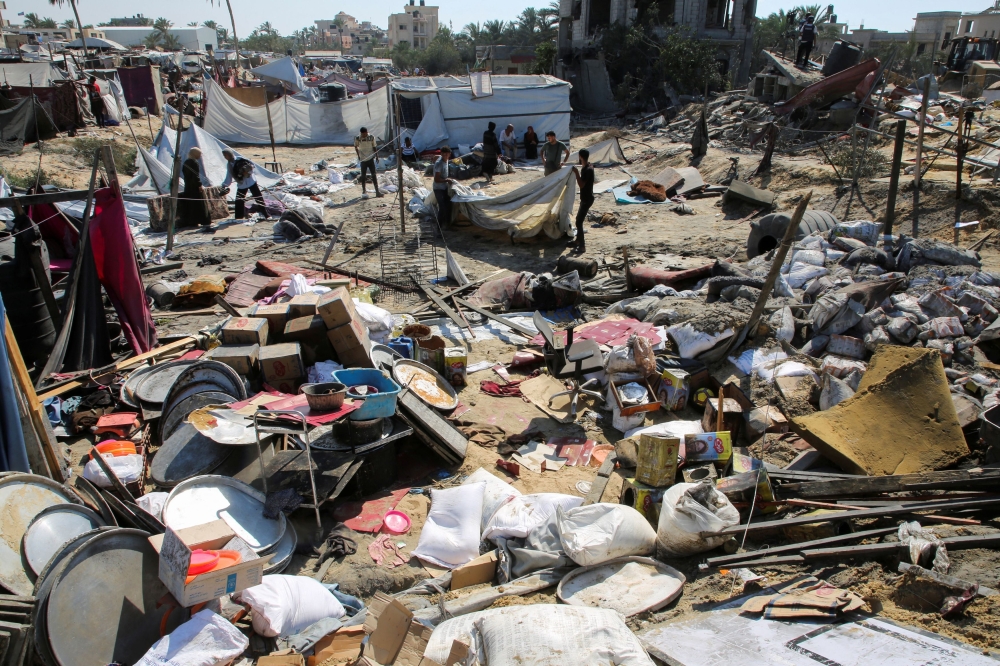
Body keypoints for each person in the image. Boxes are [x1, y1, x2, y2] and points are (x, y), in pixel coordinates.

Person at [221, 149, 269, 220]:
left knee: (258, 198)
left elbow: (252, 166)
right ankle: (238, 218)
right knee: (239, 200)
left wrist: (246, 170)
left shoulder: (241, 159)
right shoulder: (229, 165)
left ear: (229, 154)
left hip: (251, 182)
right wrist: (224, 185)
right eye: (224, 155)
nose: (224, 157)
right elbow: (229, 176)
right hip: (242, 184)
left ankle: (266, 215)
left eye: (225, 155)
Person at [177, 148, 211, 227]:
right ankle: (203, 220)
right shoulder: (194, 162)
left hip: (188, 186)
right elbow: (195, 176)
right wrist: (199, 185)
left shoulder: (186, 162)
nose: (200, 156)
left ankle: (192, 221)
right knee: (199, 204)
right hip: (194, 187)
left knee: (191, 205)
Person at [570, 148, 595, 254]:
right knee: (578, 220)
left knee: (578, 222)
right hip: (585, 198)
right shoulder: (587, 167)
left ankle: (582, 246)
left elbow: (581, 185)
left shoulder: (587, 170)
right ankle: (578, 240)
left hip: (587, 199)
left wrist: (576, 173)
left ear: (580, 156)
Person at [354, 127, 383, 198]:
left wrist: (377, 156)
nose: (364, 135)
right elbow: (356, 146)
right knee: (363, 175)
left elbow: (374, 146)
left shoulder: (371, 137)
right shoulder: (358, 138)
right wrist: (358, 155)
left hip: (370, 159)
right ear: (361, 133)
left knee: (374, 175)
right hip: (363, 159)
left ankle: (377, 191)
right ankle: (364, 190)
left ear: (367, 132)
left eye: (365, 134)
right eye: (363, 134)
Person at [433, 146, 456, 227]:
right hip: (438, 188)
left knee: (449, 205)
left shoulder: (446, 160)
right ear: (441, 154)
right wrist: (446, 180)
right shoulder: (439, 164)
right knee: (442, 207)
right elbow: (436, 179)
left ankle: (447, 224)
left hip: (445, 187)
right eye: (443, 154)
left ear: (449, 154)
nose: (445, 156)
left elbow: (435, 157)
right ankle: (439, 227)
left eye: (447, 154)